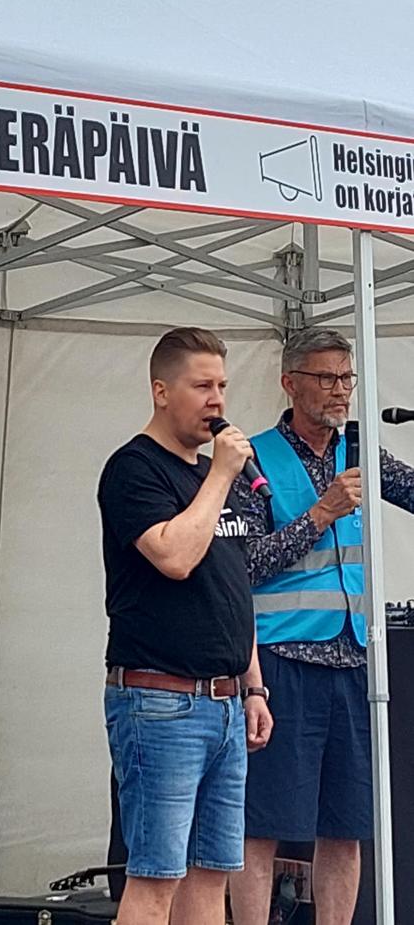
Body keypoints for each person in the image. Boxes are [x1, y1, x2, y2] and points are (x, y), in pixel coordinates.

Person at [229, 326, 414, 925]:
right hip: (281, 663)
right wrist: (320, 513)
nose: (341, 390)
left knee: (347, 823)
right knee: (262, 822)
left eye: (347, 377)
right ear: (290, 382)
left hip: (355, 661)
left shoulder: (358, 451)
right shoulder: (252, 459)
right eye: (327, 377)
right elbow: (243, 564)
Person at [98, 326, 273, 925]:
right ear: (161, 391)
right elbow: (174, 557)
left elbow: (234, 589)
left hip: (225, 702)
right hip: (160, 701)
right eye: (202, 386)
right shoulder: (134, 469)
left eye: (222, 385)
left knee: (211, 876)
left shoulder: (213, 477)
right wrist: (220, 476)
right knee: (156, 878)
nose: (217, 399)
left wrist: (253, 687)